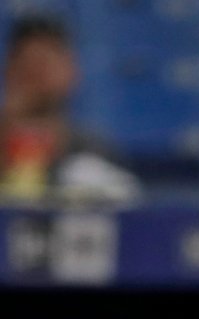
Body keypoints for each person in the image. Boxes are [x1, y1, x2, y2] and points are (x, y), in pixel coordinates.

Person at [0, 15, 139, 203]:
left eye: (45, 64)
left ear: (72, 72)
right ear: (9, 71)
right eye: (27, 65)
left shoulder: (92, 152)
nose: (37, 76)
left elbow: (130, 213)